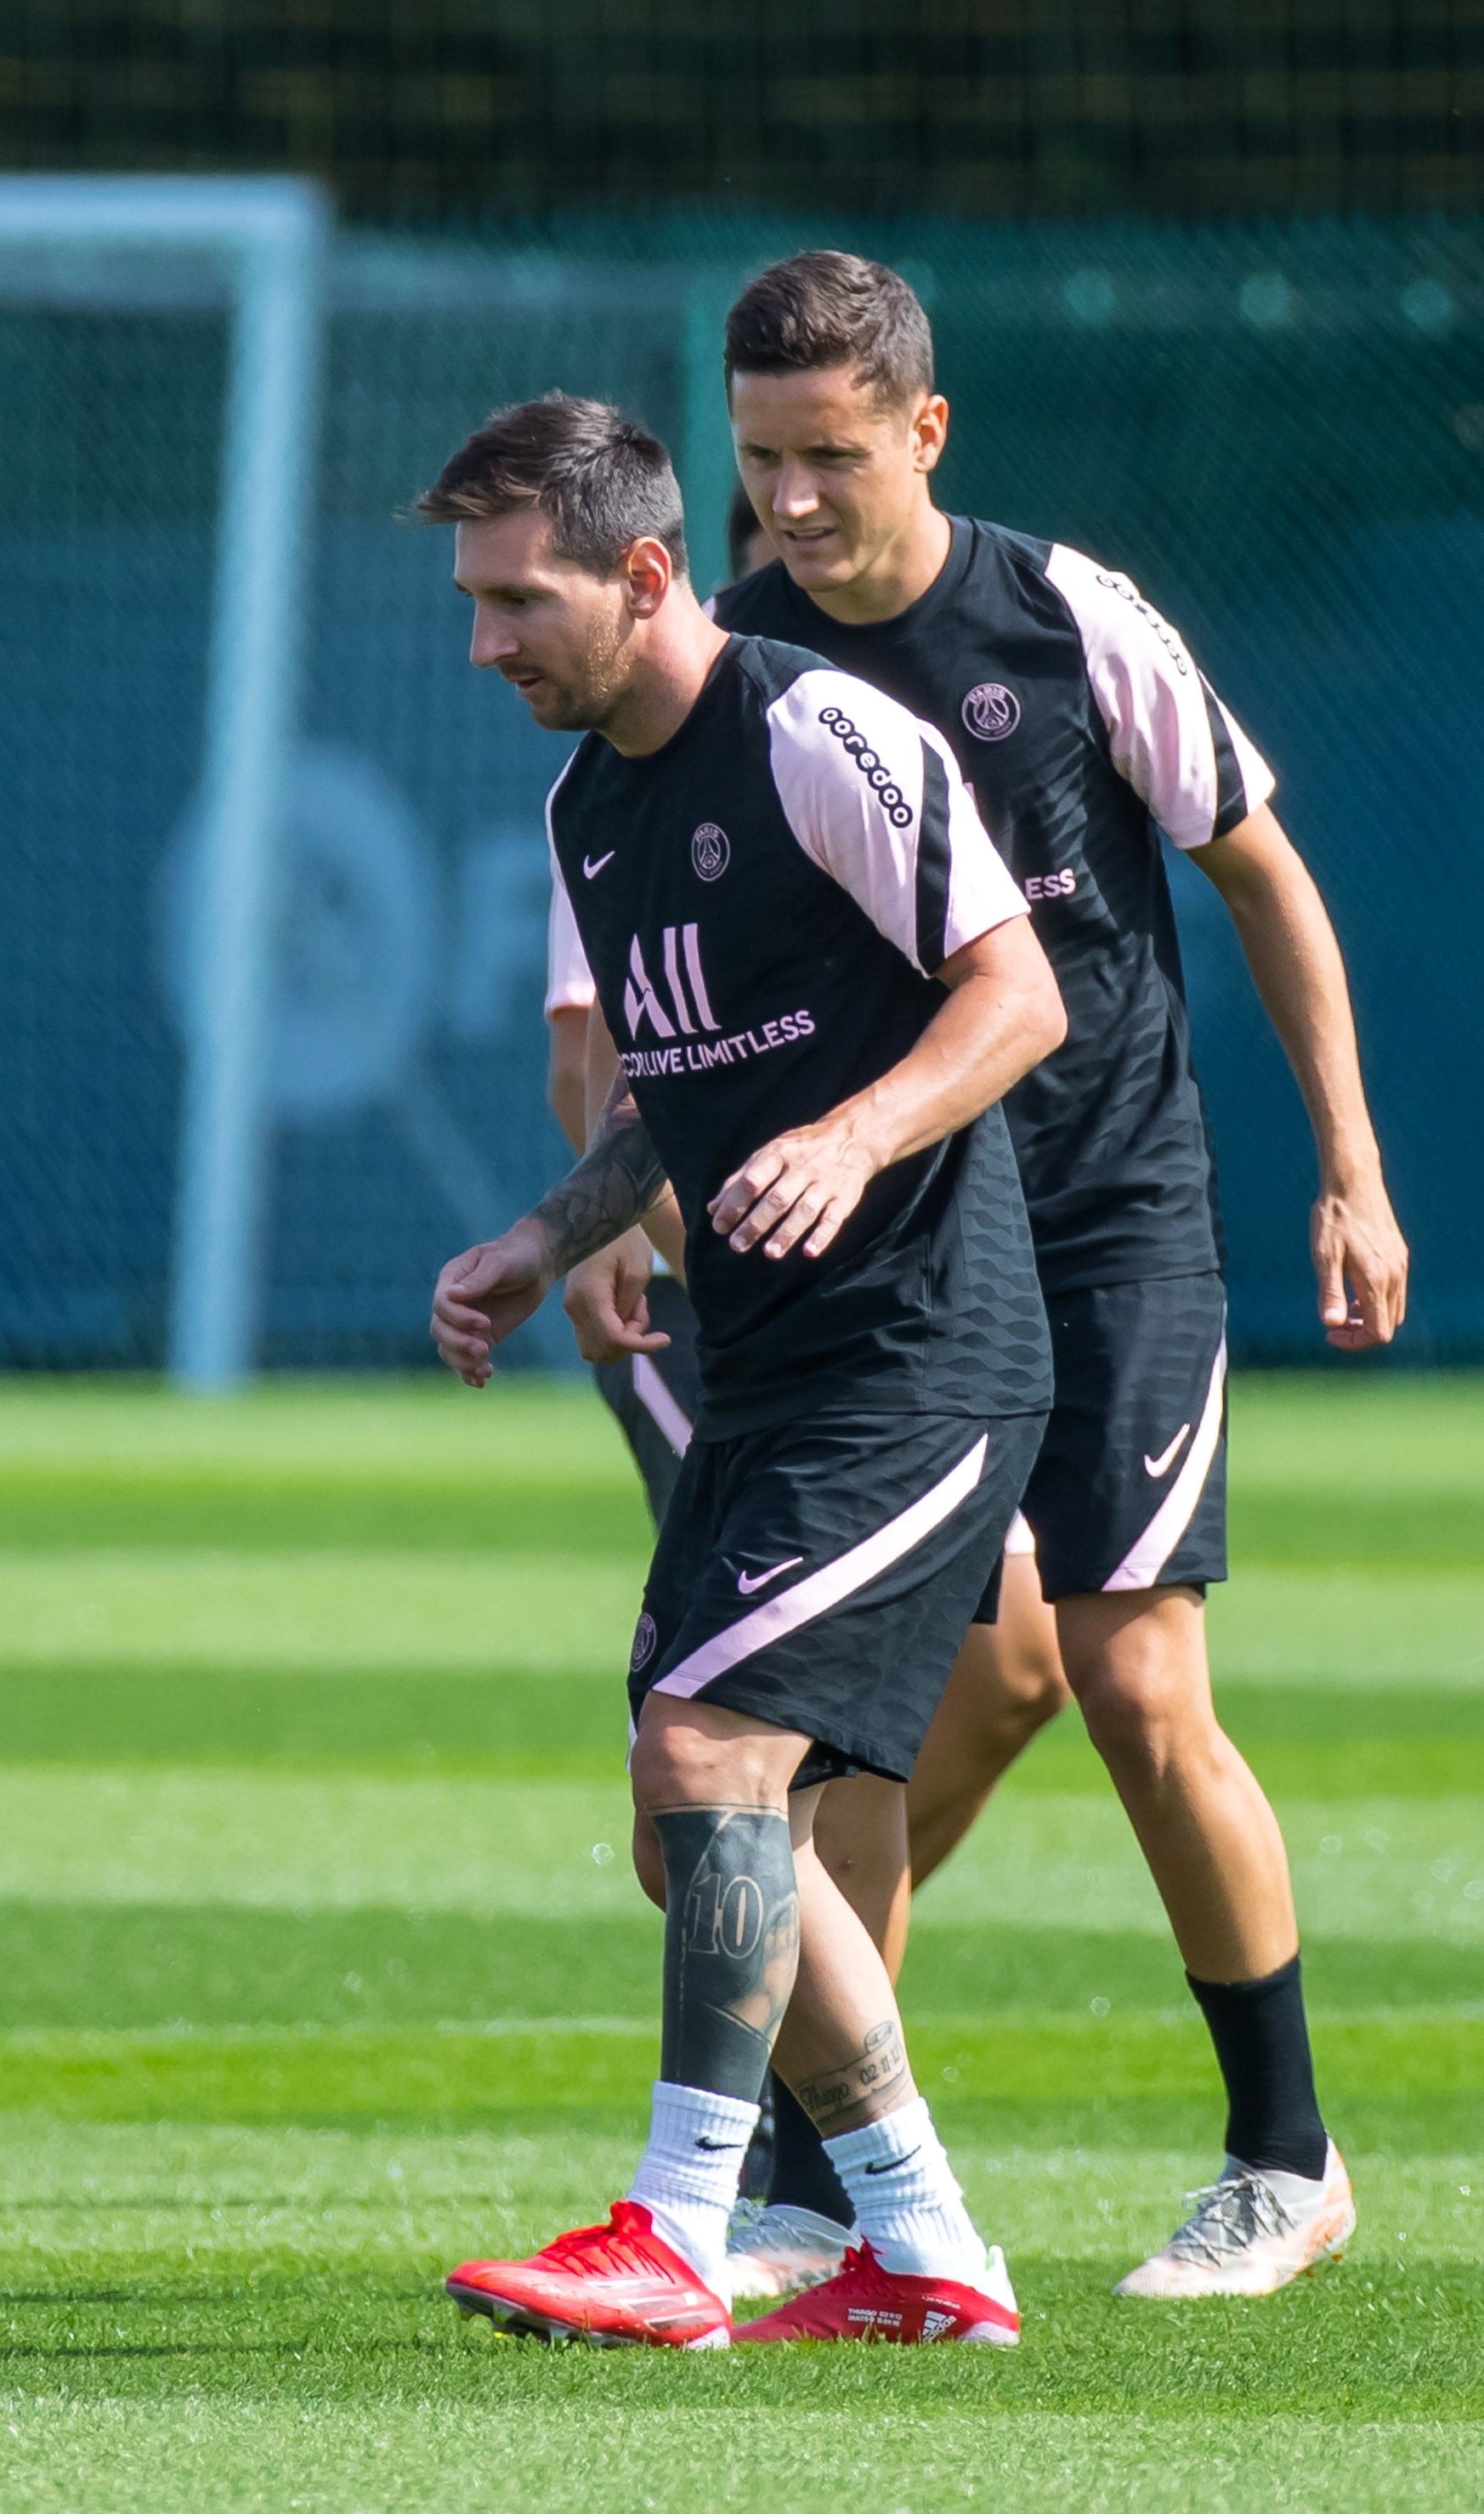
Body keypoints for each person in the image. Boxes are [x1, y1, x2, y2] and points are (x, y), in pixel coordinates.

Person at [707, 251, 1402, 2297]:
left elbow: (1262, 872)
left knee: (1130, 1673)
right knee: (855, 1722)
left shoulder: (1062, 615)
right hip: (900, 1255)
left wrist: (1350, 1174)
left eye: (831, 456)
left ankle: (1285, 2157)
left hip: (1105, 1221)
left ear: (925, 430)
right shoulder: (731, 657)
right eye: (760, 461)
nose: (795, 502)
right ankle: (825, 2188)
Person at [423, 394, 1065, 2348]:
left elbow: (1017, 992)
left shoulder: (809, 727)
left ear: (641, 572)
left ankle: (680, 2228)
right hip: (776, 1366)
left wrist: (859, 1136)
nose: (485, 643)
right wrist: (556, 1225)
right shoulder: (584, 804)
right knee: (694, 1832)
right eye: (470, 601)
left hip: (923, 1355)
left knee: (708, 1763)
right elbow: (686, 1092)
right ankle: (928, 2247)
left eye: (518, 599)